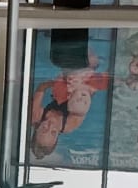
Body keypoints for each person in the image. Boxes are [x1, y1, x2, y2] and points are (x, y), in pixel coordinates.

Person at [30, 30, 111, 161]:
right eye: (53, 132)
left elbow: (41, 88)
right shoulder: (69, 125)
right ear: (57, 136)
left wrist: (57, 82)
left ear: (36, 129)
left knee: (67, 64)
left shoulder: (35, 117)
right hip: (84, 92)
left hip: (62, 88)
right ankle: (83, 38)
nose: (50, 125)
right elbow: (85, 99)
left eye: (44, 128)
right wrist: (81, 84)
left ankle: (65, 36)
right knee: (91, 63)